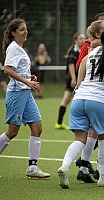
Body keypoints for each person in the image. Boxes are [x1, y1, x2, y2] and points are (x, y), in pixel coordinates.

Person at [57, 26, 104, 189]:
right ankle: (103, 177)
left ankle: (64, 166)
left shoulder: (90, 54)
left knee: (79, 139)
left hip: (79, 99)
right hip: (97, 100)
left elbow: (79, 79)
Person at [0, 18, 50, 179]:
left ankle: (32, 168)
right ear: (13, 33)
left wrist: (29, 77)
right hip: (16, 94)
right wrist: (27, 81)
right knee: (12, 132)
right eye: (22, 29)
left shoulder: (20, 48)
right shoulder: (13, 48)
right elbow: (7, 70)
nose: (25, 31)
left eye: (26, 29)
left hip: (25, 93)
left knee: (37, 128)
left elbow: (18, 71)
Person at [54, 32, 85, 130]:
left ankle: (61, 123)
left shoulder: (80, 50)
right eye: (81, 38)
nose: (83, 40)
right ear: (75, 40)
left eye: (83, 38)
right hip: (73, 80)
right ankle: (59, 123)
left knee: (73, 100)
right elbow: (71, 65)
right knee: (67, 99)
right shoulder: (74, 51)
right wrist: (73, 79)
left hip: (78, 80)